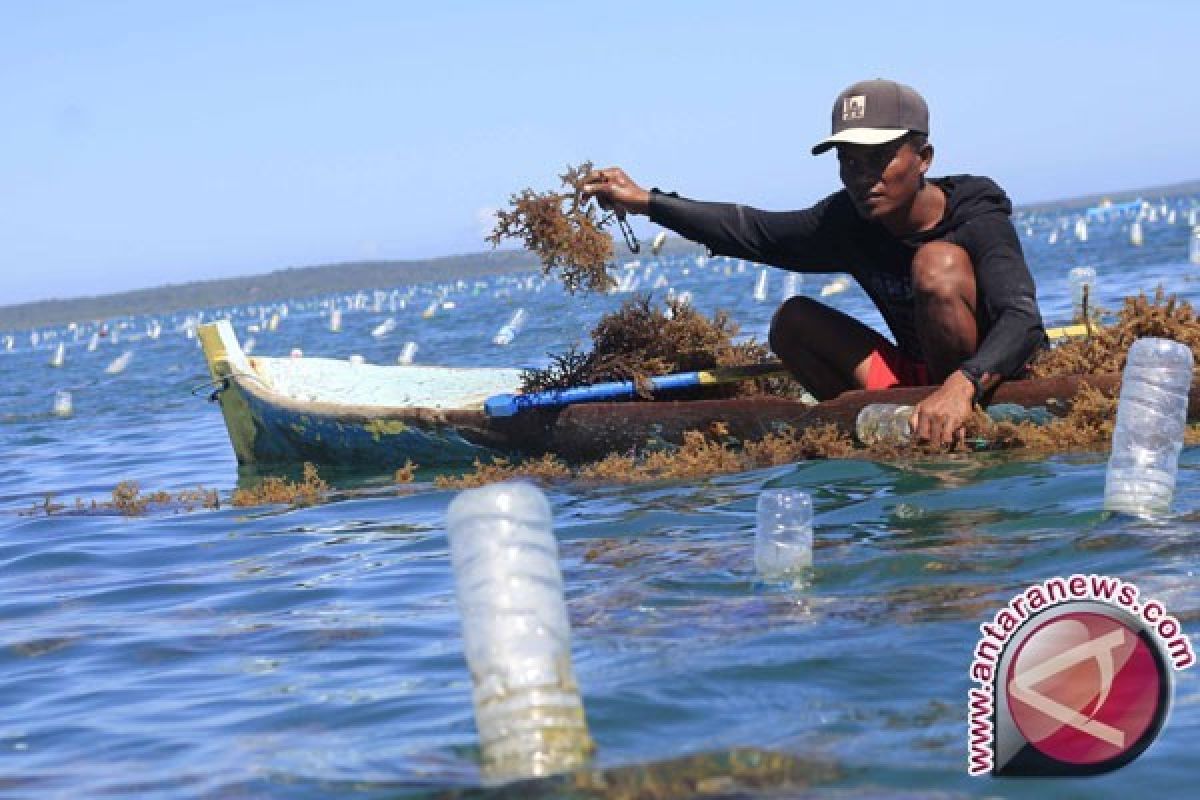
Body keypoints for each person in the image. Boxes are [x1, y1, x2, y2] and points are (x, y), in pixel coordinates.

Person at [581, 78, 1046, 446]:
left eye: (879, 159)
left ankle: (958, 419)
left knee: (936, 265)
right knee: (793, 320)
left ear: (923, 158)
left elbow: (1023, 320)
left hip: (987, 378)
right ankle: (877, 425)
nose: (864, 178)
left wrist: (963, 385)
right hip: (913, 381)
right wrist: (646, 201)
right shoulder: (846, 218)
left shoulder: (976, 211)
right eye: (850, 162)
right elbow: (751, 230)